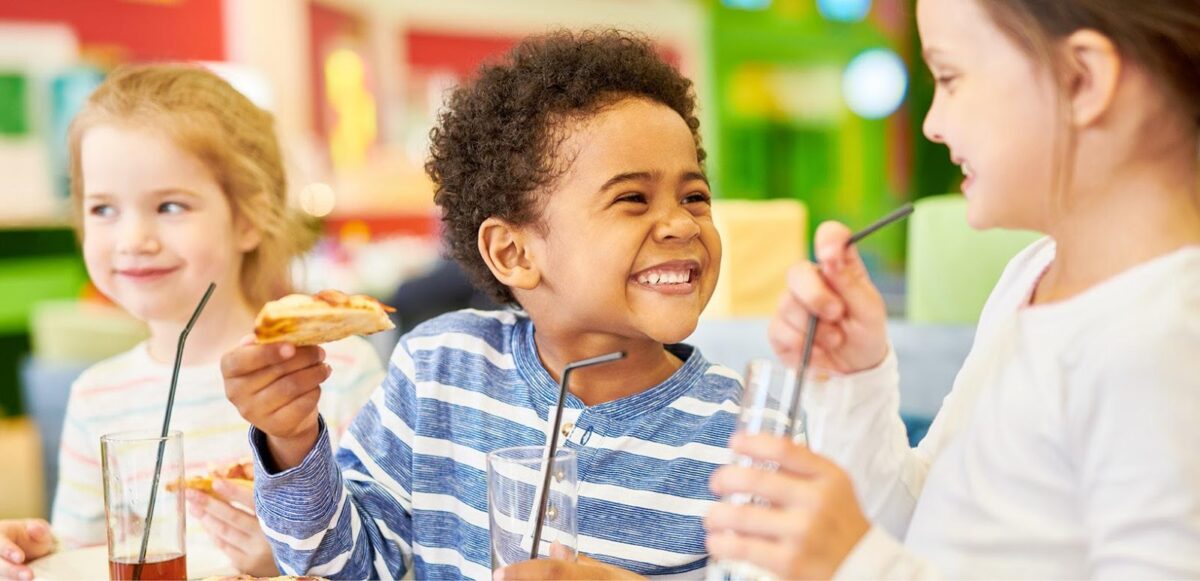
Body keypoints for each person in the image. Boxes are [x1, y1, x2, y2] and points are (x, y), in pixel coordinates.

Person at [221, 30, 743, 579]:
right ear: (513, 251)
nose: (683, 223)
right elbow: (342, 568)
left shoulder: (746, 432)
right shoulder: (439, 369)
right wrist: (292, 438)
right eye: (632, 199)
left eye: (695, 197)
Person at [704, 0, 1200, 578]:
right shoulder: (1031, 276)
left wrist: (858, 564)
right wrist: (855, 376)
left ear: (1081, 80)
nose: (931, 123)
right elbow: (921, 530)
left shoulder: (1168, 335)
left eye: (949, 77)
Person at [0, 65, 383, 581]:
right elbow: (88, 557)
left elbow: (390, 560)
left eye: (170, 205)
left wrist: (294, 552)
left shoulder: (335, 371)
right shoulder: (95, 396)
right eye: (103, 209)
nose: (134, 238)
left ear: (248, 218)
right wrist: (36, 551)